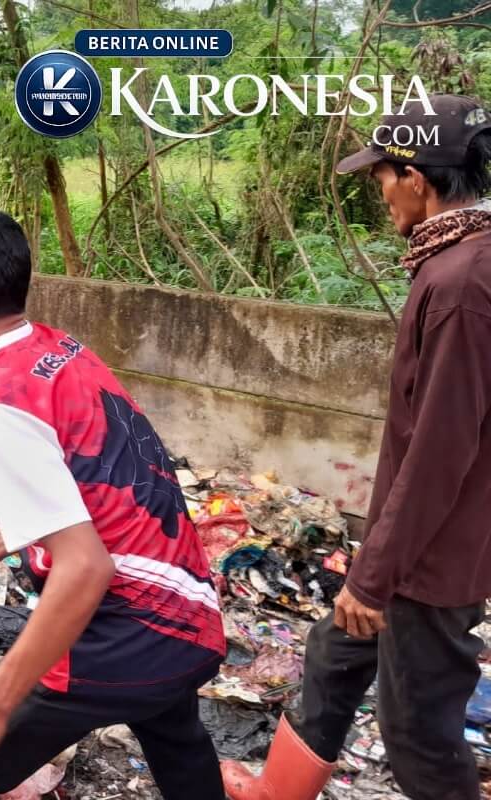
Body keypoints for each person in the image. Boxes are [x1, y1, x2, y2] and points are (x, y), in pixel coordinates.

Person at [221, 95, 491, 800]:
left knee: (418, 738)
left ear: (416, 177)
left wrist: (375, 576)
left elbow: (441, 450)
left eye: (381, 175)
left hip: (432, 559)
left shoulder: (462, 284)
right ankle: (275, 792)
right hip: (414, 543)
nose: (378, 190)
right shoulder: (454, 263)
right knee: (333, 657)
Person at [0, 209, 227, 800]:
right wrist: (8, 536)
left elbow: (87, 567)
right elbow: (101, 473)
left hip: (121, 631)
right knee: (176, 736)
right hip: (188, 614)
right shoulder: (61, 351)